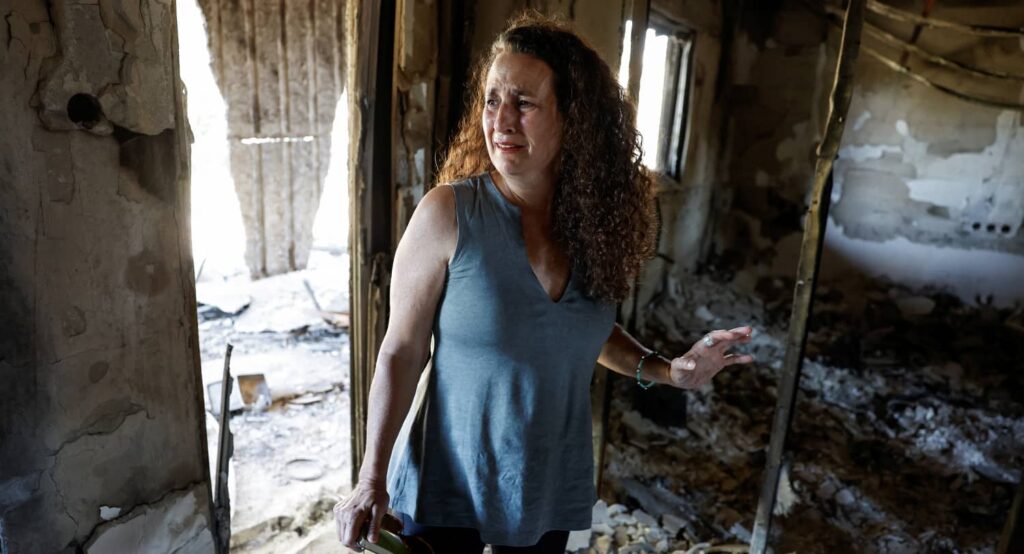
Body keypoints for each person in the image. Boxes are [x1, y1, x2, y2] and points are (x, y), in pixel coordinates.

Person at [335, 13, 754, 553]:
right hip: (447, 486)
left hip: (545, 488)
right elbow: (401, 349)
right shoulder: (449, 214)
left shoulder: (596, 225)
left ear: (572, 119)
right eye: (491, 100)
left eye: (524, 103)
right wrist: (371, 479)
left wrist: (671, 372)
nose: (501, 121)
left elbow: (586, 332)